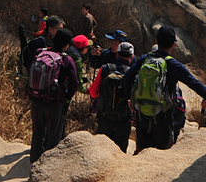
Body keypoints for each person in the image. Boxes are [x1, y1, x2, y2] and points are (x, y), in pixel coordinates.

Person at [125, 25, 206, 153]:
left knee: (141, 151)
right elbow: (195, 84)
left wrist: (130, 99)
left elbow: (127, 77)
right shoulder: (174, 65)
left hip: (142, 113)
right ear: (174, 44)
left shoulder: (145, 59)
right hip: (163, 116)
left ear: (156, 41)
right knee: (163, 153)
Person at [26, 29, 78, 163]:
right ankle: (48, 170)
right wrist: (66, 98)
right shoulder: (66, 59)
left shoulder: (40, 53)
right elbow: (74, 83)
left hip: (36, 101)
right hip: (54, 104)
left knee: (37, 136)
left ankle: (34, 167)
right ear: (66, 45)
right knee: (53, 138)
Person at [89, 41, 135, 151]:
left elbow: (93, 92)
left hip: (104, 116)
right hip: (123, 119)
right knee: (120, 151)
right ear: (132, 57)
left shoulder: (105, 69)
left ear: (117, 54)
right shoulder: (132, 73)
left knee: (102, 149)